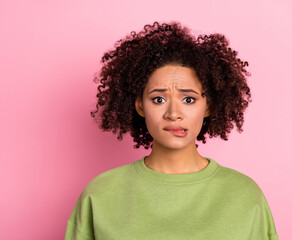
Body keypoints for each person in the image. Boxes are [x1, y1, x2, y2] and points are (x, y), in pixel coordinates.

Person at [64, 21, 278, 240]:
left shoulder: (245, 195)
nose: (173, 113)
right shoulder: (100, 194)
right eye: (158, 99)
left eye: (188, 99)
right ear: (140, 106)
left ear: (208, 107)